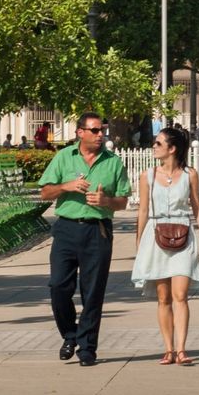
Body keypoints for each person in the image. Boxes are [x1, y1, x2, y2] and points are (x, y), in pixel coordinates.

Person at [39, 112, 131, 367]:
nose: (100, 135)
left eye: (102, 130)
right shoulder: (63, 157)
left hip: (97, 230)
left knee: (92, 292)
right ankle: (70, 334)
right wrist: (65, 186)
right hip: (66, 229)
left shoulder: (113, 162)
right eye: (94, 131)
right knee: (58, 287)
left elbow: (123, 201)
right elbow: (45, 192)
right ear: (80, 132)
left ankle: (87, 348)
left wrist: (106, 202)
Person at [131, 128, 199, 365]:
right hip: (156, 236)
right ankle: (168, 348)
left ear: (172, 148)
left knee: (180, 295)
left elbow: (196, 206)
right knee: (163, 297)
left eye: (158, 143)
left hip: (183, 235)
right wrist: (139, 243)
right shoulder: (148, 176)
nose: (153, 146)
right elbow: (143, 210)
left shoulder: (189, 174)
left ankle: (182, 349)